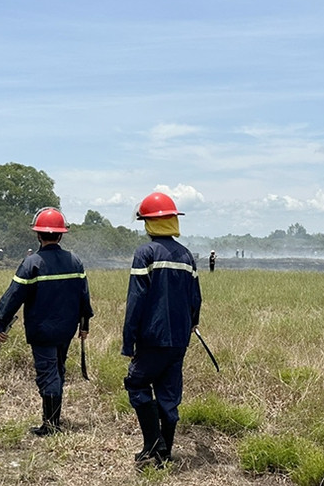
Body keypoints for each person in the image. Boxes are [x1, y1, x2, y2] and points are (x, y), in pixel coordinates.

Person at [0, 208, 93, 436]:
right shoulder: (75, 261)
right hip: (67, 329)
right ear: (61, 235)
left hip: (42, 331)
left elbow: (13, 295)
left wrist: (2, 321)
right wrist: (84, 323)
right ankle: (52, 420)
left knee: (48, 373)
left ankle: (50, 426)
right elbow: (83, 296)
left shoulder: (32, 263)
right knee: (58, 369)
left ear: (38, 234)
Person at [123, 192, 202, 466]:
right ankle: (165, 454)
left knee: (136, 383)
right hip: (179, 340)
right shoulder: (187, 255)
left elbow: (136, 301)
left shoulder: (145, 253)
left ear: (149, 223)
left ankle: (154, 446)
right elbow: (196, 299)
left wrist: (128, 340)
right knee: (169, 396)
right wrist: (191, 324)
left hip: (152, 338)